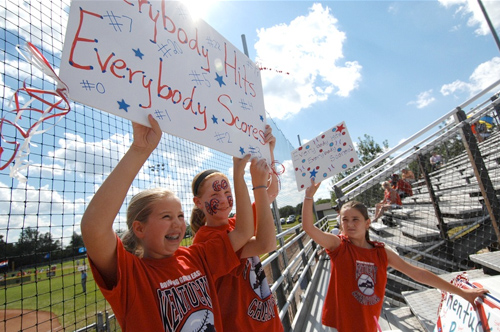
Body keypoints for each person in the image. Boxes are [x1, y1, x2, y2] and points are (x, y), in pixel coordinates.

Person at [80, 115, 255, 331]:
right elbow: (93, 228)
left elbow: (244, 231)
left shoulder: (196, 257)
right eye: (166, 216)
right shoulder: (132, 276)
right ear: (139, 228)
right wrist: (139, 150)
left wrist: (239, 173)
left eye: (180, 216)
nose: (177, 224)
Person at [301, 179, 488, 332]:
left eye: (355, 219)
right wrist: (309, 196)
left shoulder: (381, 252)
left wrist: (463, 293)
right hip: (345, 325)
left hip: (369, 323)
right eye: (345, 220)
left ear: (367, 223)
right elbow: (309, 228)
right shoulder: (339, 246)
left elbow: (418, 273)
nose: (350, 224)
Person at [190, 124, 284, 332]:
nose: (223, 200)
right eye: (214, 196)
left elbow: (271, 192)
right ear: (198, 202)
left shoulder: (237, 224)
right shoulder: (206, 239)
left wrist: (268, 153)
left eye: (227, 192)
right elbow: (266, 243)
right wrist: (241, 176)